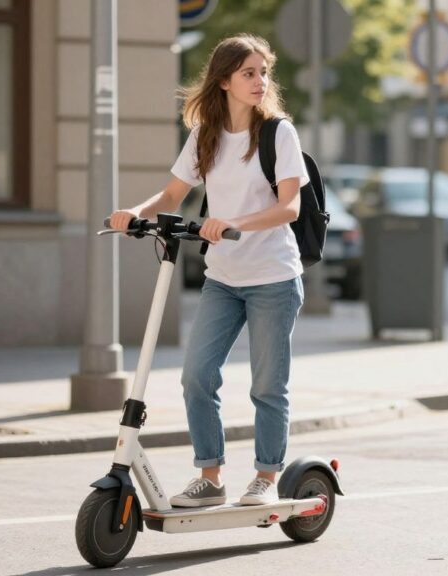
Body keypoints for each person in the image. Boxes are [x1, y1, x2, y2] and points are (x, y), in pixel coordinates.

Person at [108, 34, 308, 508]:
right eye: (249, 73)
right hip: (223, 278)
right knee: (196, 375)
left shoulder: (278, 133)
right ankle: (211, 476)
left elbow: (290, 208)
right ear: (224, 81)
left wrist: (232, 223)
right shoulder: (205, 135)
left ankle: (265, 476)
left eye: (264, 72)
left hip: (274, 278)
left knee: (266, 386)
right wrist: (132, 214)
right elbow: (172, 196)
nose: (260, 81)